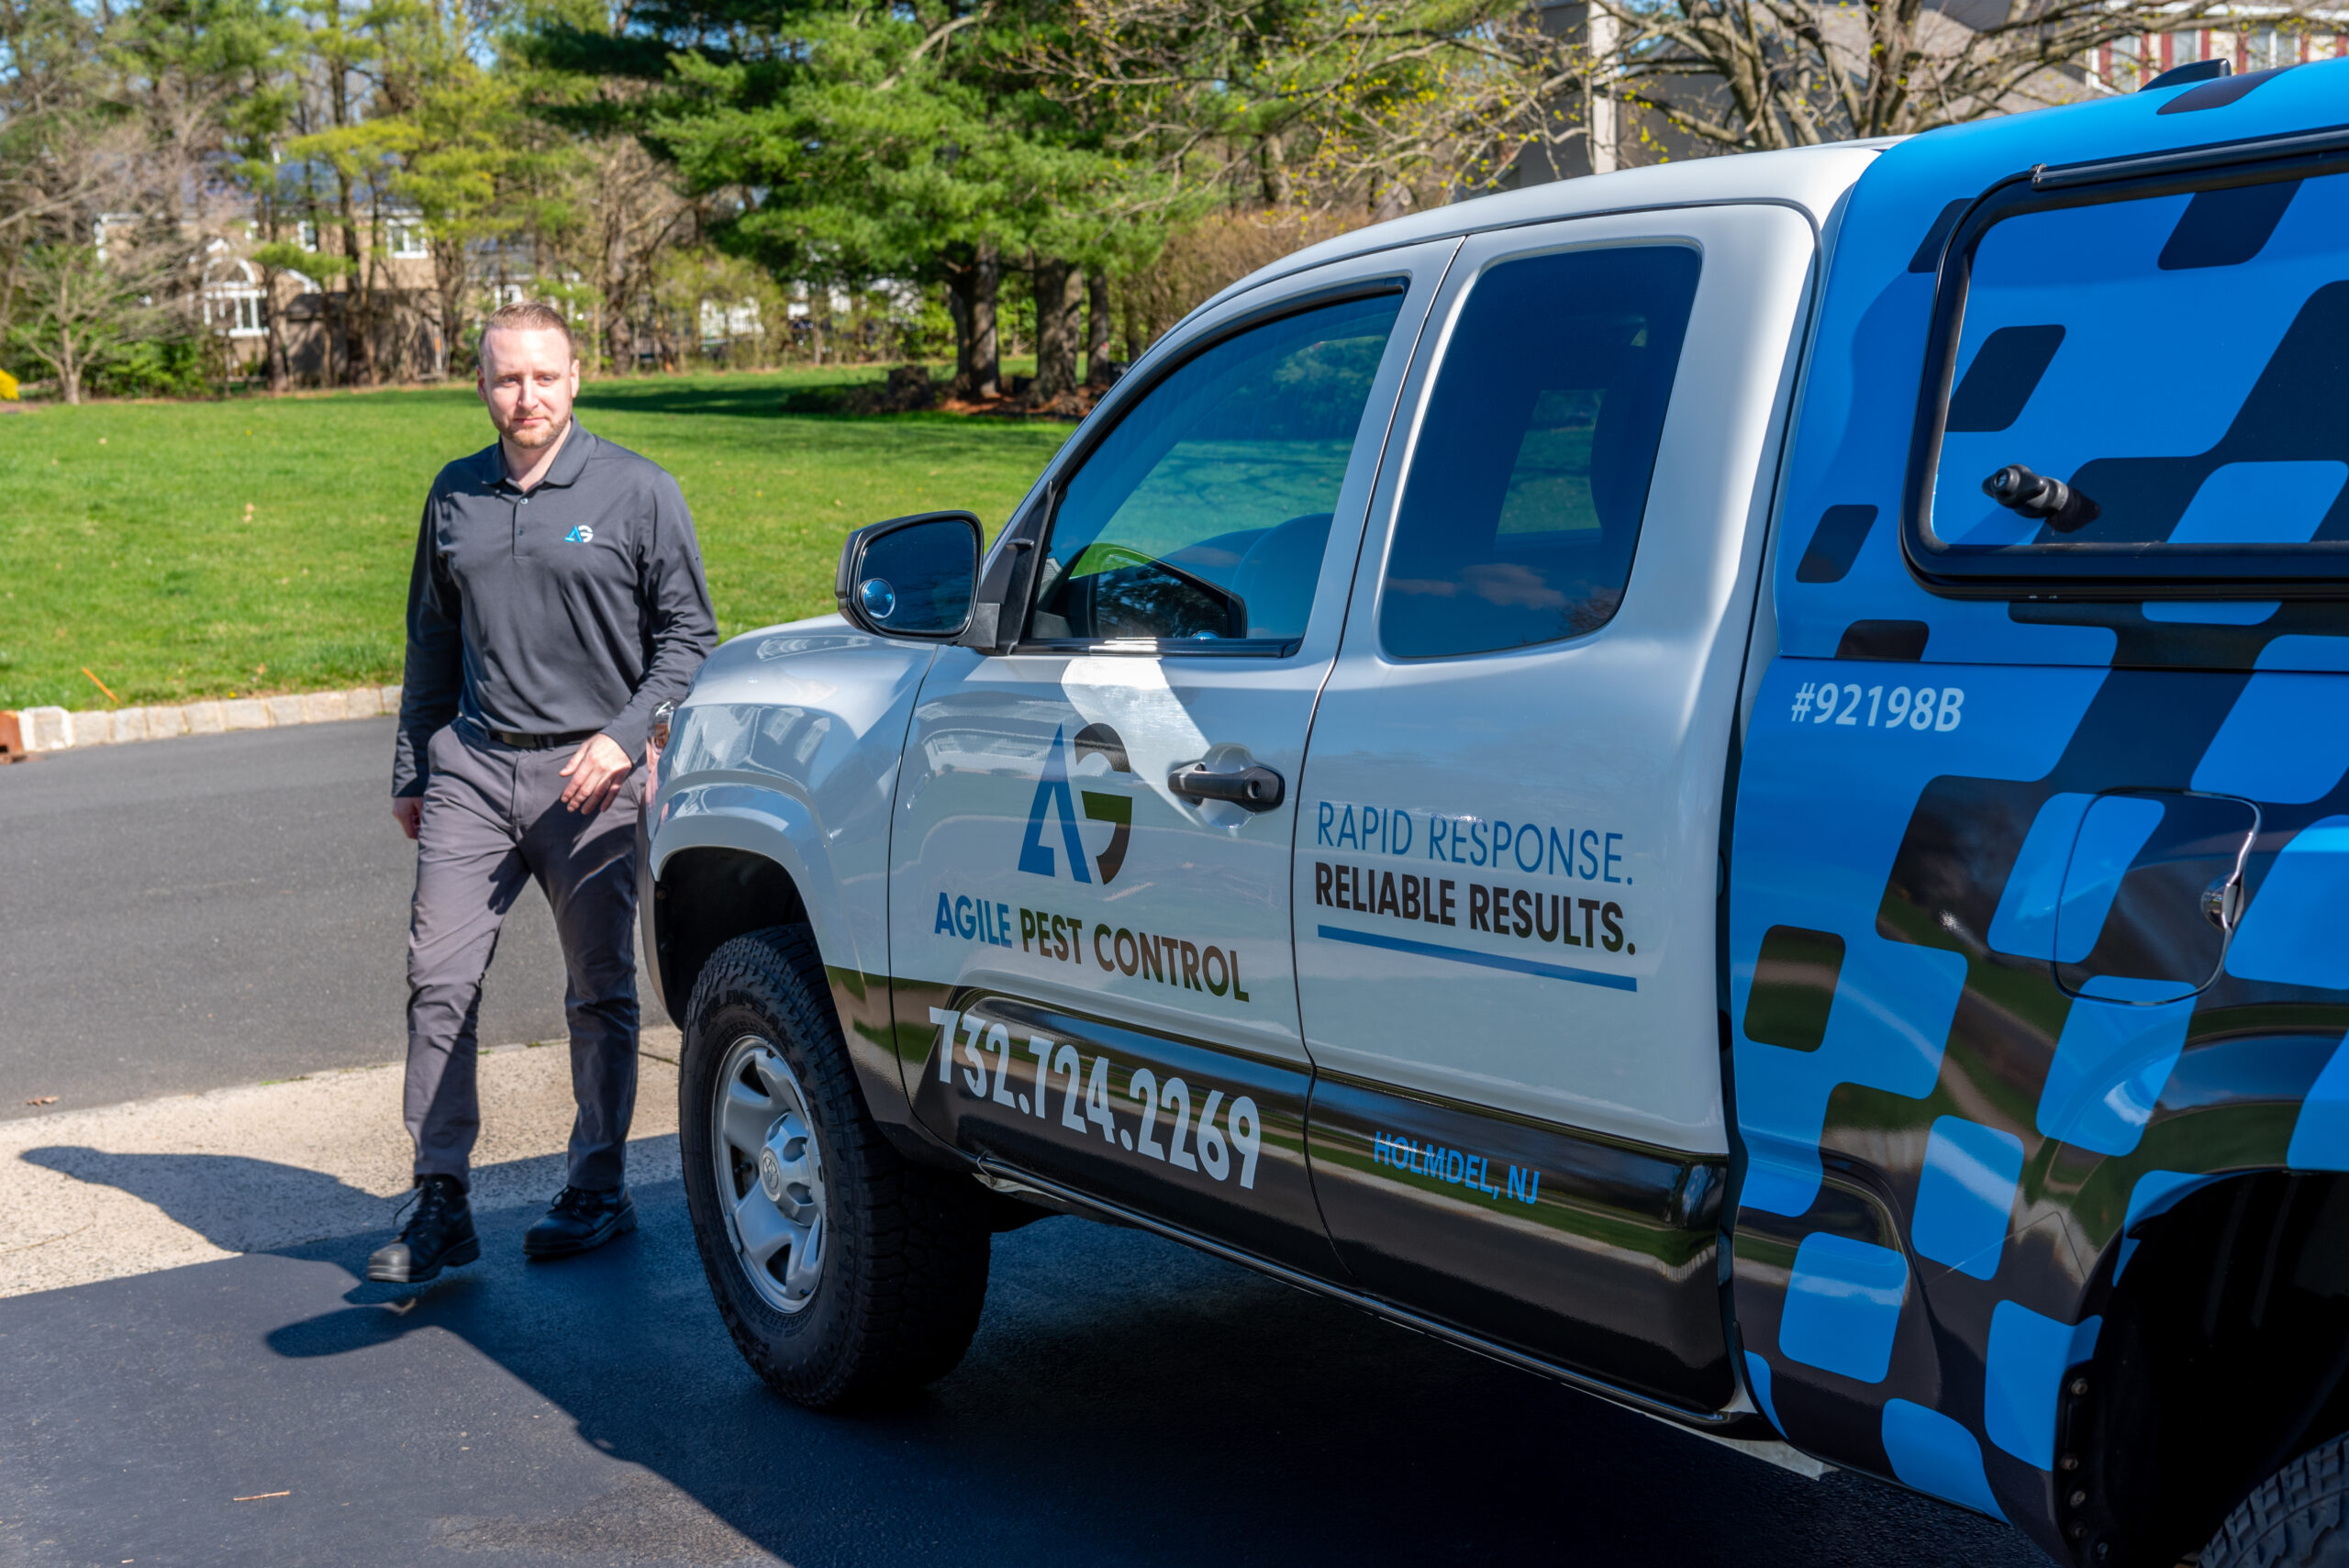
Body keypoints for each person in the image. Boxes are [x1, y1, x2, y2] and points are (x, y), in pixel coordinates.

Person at [367, 300, 717, 1284]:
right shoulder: (454, 494)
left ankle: (596, 1184)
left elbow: (691, 639)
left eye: (544, 377)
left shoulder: (639, 490)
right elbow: (430, 638)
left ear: (577, 379)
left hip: (589, 778)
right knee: (438, 977)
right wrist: (412, 770)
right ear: (481, 386)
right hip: (474, 766)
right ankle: (440, 1197)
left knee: (600, 988)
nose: (527, 396)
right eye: (506, 378)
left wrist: (624, 736)